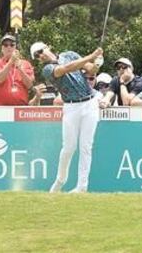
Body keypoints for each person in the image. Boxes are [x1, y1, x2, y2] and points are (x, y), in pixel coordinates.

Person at [32, 42, 102, 193]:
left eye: (40, 51)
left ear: (47, 47)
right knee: (69, 148)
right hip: (71, 107)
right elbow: (66, 68)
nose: (40, 55)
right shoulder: (47, 69)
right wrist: (91, 55)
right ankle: (60, 180)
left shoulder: (69, 54)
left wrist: (97, 62)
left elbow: (90, 69)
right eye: (37, 56)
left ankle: (82, 186)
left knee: (86, 147)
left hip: (90, 103)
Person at [0, 34, 36, 106]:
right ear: (2, 49)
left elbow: (29, 85)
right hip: (0, 108)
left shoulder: (26, 63)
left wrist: (20, 69)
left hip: (20, 107)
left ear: (16, 48)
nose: (9, 47)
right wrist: (11, 62)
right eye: (5, 45)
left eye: (12, 45)